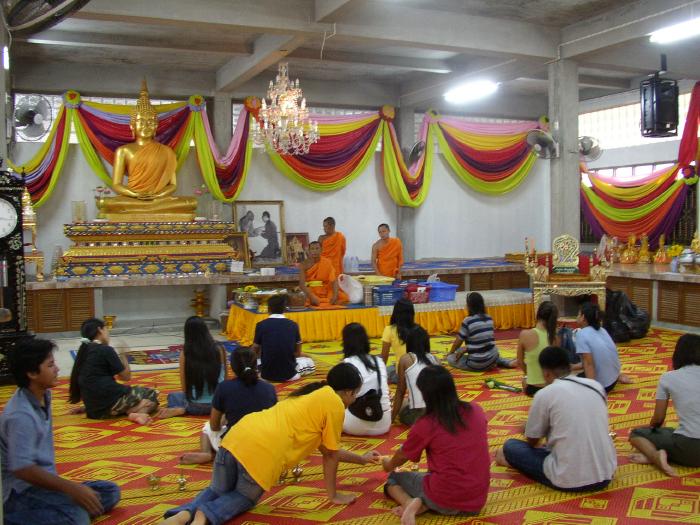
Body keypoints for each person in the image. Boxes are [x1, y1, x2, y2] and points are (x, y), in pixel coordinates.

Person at [160, 362, 381, 525]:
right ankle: (204, 516)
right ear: (348, 392)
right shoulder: (334, 404)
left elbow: (328, 449)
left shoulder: (313, 392)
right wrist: (333, 495)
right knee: (245, 497)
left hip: (236, 437)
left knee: (217, 489)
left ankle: (184, 514)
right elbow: (331, 456)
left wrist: (361, 459)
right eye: (356, 394)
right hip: (263, 452)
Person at [1, 338, 121, 524]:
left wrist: (72, 490)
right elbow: (23, 470)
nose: (57, 369)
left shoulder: (43, 395)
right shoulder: (20, 415)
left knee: (110, 491)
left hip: (45, 485)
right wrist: (71, 489)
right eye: (50, 365)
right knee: (78, 518)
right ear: (32, 373)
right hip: (20, 494)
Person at [496, 346, 617, 492]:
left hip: (568, 478)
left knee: (510, 447)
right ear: (569, 367)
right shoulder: (596, 386)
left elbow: (533, 442)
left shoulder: (545, 394)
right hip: (606, 474)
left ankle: (515, 463)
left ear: (546, 373)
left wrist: (526, 428)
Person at [382, 365, 490, 525]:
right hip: (477, 500)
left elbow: (402, 457)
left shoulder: (426, 423)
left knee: (392, 480)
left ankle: (409, 504)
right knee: (438, 475)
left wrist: (387, 465)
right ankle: (423, 503)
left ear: (426, 395)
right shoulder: (476, 410)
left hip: (444, 496)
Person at [97, 80, 196, 218]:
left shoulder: (167, 151)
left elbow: (173, 185)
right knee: (104, 203)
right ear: (132, 126)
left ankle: (149, 208)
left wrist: (158, 194)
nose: (146, 125)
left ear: (156, 126)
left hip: (159, 200)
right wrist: (135, 194)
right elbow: (117, 185)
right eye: (141, 122)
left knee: (189, 203)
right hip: (132, 199)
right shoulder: (124, 151)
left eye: (150, 122)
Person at [180, 347, 277, 465]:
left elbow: (214, 426)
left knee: (207, 427)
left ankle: (206, 453)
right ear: (256, 365)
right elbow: (274, 421)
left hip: (236, 448)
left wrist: (225, 418)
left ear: (232, 367)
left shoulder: (224, 387)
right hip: (264, 444)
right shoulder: (269, 388)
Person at [629, 333, 700, 476]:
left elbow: (658, 419)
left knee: (636, 434)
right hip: (688, 441)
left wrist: (650, 431)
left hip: (689, 448)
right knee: (671, 431)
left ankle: (655, 457)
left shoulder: (668, 378)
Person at [69, 318, 159, 425]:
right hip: (110, 403)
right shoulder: (105, 350)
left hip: (94, 411)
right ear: (100, 330)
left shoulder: (83, 351)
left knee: (133, 395)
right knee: (152, 395)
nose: (108, 333)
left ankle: (129, 408)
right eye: (106, 329)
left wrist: (87, 407)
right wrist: (123, 355)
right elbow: (125, 377)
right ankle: (136, 412)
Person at [162, 316, 228, 418]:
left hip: (194, 406)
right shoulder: (219, 348)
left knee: (173, 396)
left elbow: (184, 388)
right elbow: (225, 379)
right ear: (206, 330)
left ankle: (182, 409)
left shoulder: (185, 353)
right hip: (219, 405)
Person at [341, 322, 392, 436]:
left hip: (355, 425)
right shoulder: (379, 361)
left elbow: (342, 399)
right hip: (384, 424)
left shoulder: (347, 363)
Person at [252, 294, 315, 381]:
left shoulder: (261, 325)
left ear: (268, 309)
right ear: (285, 309)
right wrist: (307, 355)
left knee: (257, 361)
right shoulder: (293, 325)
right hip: (290, 375)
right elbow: (297, 353)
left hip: (265, 375)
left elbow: (255, 350)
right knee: (309, 362)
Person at [446, 292, 515, 371]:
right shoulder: (489, 318)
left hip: (476, 364)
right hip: (492, 358)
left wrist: (451, 353)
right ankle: (504, 362)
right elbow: (484, 341)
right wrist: (466, 349)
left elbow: (457, 342)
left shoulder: (468, 320)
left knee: (451, 358)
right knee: (490, 352)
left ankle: (489, 363)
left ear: (469, 306)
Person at [391, 326, 440, 426]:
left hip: (417, 416)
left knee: (400, 402)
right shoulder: (436, 360)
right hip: (438, 414)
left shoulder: (406, 359)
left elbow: (400, 391)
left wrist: (391, 418)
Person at [572, 302, 627, 392]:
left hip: (603, 385)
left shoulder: (581, 334)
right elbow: (598, 358)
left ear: (583, 318)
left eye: (578, 314)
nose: (577, 317)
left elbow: (588, 363)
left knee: (570, 381)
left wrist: (593, 390)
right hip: (614, 380)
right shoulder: (602, 330)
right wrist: (573, 367)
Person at [516, 301, 558, 396]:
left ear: (538, 314)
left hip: (533, 387)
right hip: (551, 388)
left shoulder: (525, 334)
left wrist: (528, 375)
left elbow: (519, 362)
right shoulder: (555, 338)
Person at [299, 241, 348, 306]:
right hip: (310, 290)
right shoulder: (304, 264)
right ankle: (322, 302)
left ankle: (325, 302)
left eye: (317, 248)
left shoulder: (327, 262)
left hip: (325, 290)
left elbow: (334, 281)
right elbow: (302, 285)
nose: (315, 251)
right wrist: (311, 296)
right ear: (309, 251)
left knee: (344, 298)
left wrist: (335, 296)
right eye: (312, 249)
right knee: (303, 299)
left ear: (321, 250)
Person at [381, 298, 417, 383]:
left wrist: (380, 374)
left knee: (384, 370)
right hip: (419, 371)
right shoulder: (418, 329)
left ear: (395, 313)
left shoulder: (389, 329)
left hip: (402, 374)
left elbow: (384, 356)